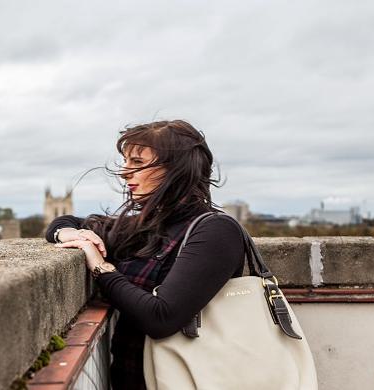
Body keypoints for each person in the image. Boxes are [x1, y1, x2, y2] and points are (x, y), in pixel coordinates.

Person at [45, 120, 246, 389]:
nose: (124, 173)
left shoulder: (216, 231)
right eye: (126, 161)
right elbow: (65, 221)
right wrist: (69, 234)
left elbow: (161, 317)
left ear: (176, 169)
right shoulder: (143, 226)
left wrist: (101, 267)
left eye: (137, 162)